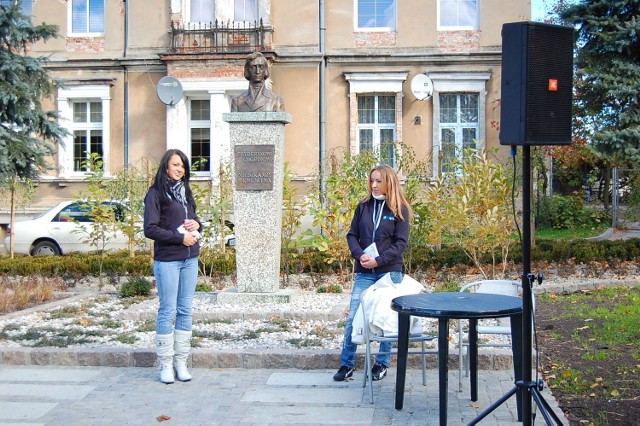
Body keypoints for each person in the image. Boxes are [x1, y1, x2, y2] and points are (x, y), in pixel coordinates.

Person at [333, 165, 413, 382]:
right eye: (372, 181)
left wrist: (378, 260)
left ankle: (382, 363)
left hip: (389, 273)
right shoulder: (363, 207)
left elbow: (400, 244)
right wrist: (360, 256)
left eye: (379, 181)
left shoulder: (399, 209)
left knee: (385, 320)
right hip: (364, 272)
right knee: (353, 318)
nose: (374, 185)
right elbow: (352, 235)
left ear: (389, 182)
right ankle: (347, 364)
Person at [144, 149, 202, 384]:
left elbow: (197, 221)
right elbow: (150, 229)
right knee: (168, 311)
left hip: (190, 258)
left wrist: (197, 224)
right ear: (165, 167)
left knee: (185, 309)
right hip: (168, 259)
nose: (180, 169)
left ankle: (181, 363)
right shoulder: (155, 193)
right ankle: (166, 364)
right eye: (176, 165)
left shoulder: (185, 192)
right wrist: (179, 238)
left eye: (183, 166)